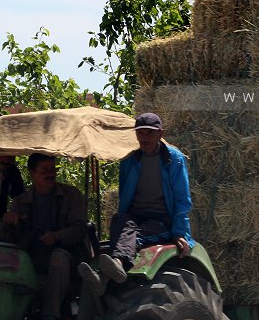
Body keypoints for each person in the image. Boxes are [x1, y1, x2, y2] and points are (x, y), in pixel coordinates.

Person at [80, 113, 194, 290]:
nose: (144, 138)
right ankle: (113, 268)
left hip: (161, 219)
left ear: (160, 134)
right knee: (120, 221)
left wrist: (179, 232)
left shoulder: (173, 159)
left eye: (149, 133)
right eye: (140, 133)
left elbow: (182, 199)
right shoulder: (130, 160)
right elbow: (125, 195)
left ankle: (110, 269)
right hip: (135, 216)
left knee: (135, 233)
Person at [0, 153, 88, 320]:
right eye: (44, 170)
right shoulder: (20, 202)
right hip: (30, 259)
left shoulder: (71, 196)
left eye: (52, 169)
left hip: (68, 258)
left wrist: (57, 236)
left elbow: (80, 229)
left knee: (58, 257)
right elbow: (5, 236)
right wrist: (8, 222)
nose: (50, 174)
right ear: (32, 173)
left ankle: (50, 317)